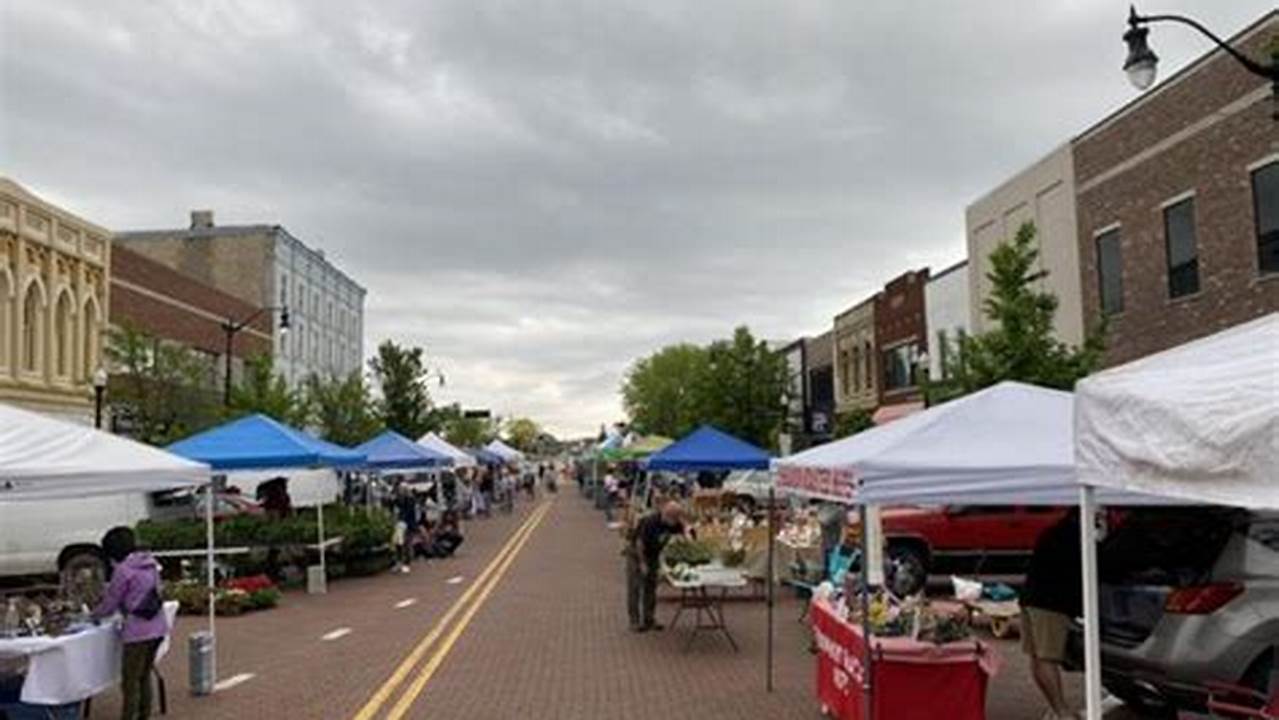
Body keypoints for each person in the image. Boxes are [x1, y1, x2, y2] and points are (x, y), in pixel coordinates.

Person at [93, 527, 167, 720]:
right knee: (144, 675)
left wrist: (95, 614)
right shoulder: (151, 564)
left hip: (137, 631)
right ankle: (144, 715)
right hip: (158, 626)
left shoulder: (123, 571)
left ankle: (128, 716)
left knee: (130, 682)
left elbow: (111, 602)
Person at [1021, 510, 1083, 720]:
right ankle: (1061, 711)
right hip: (1050, 603)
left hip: (1032, 598)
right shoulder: (1074, 536)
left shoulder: (1053, 532)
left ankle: (1055, 708)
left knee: (1038, 658)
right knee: (1047, 658)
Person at [626, 500, 686, 633]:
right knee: (635, 587)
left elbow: (683, 534)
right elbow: (639, 544)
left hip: (653, 555)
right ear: (666, 515)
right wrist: (642, 564)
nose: (674, 523)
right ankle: (634, 621)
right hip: (637, 554)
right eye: (673, 519)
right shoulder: (650, 522)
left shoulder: (675, 523)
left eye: (677, 519)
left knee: (651, 586)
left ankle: (649, 619)